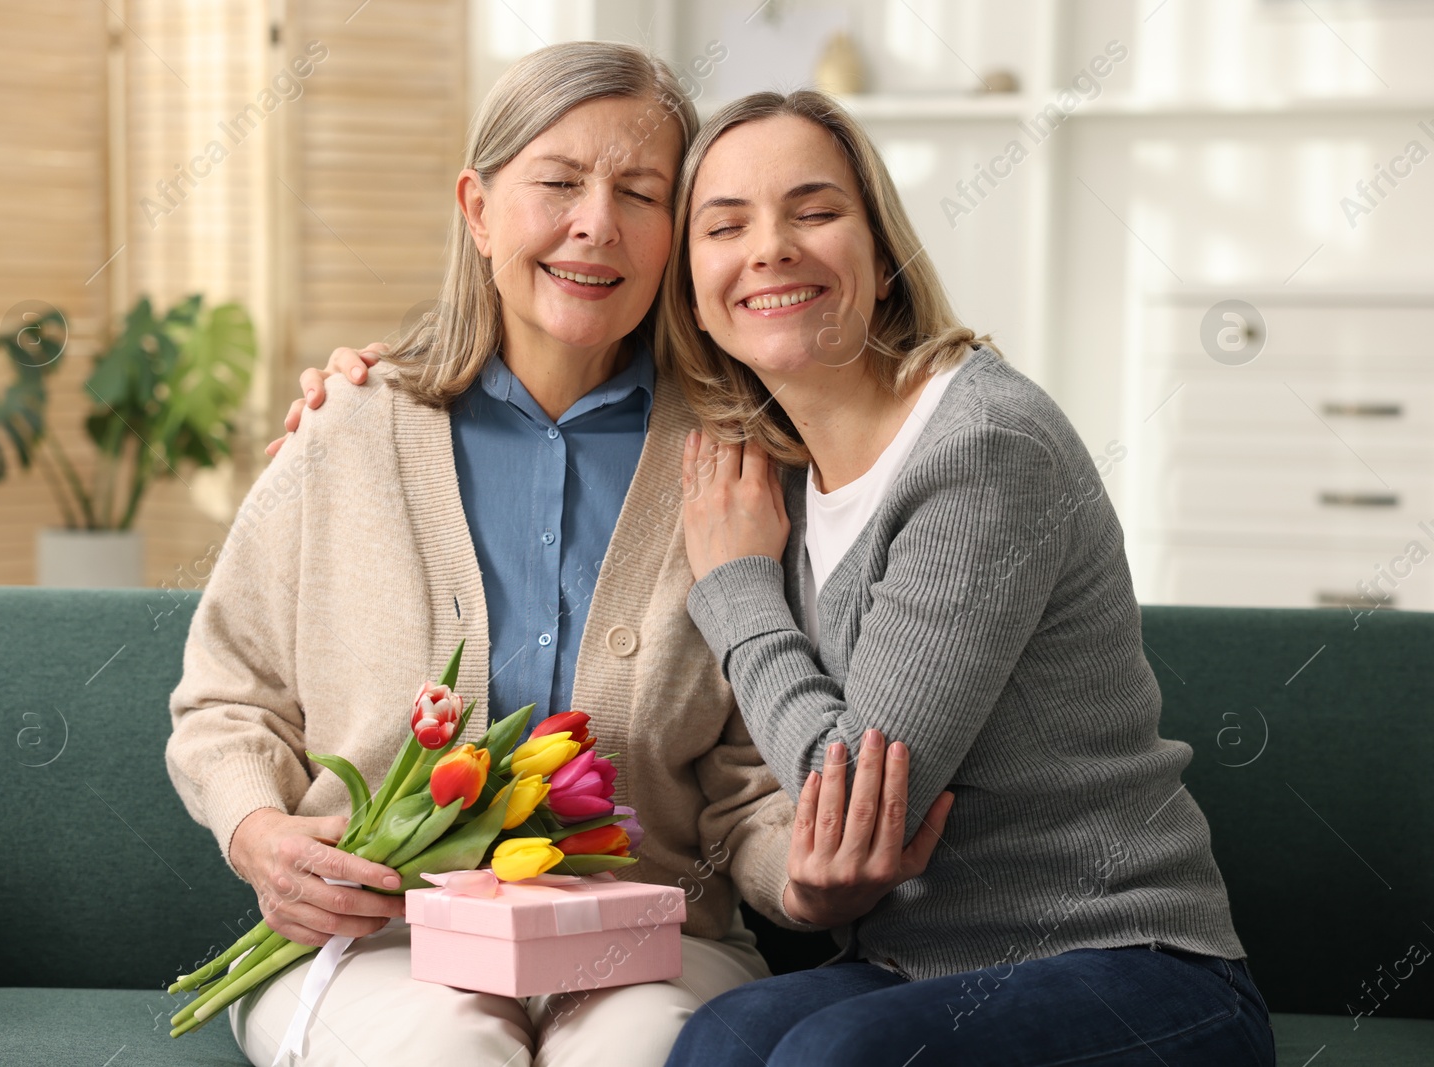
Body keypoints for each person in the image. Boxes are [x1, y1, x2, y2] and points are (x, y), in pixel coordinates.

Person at [169, 47, 948, 1067]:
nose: (597, 223)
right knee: (441, 1047)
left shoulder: (744, 464)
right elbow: (226, 699)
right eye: (558, 182)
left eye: (641, 192)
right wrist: (260, 835)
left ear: (673, 235)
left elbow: (753, 776)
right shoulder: (350, 427)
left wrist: (804, 879)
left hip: (650, 945)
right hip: (377, 940)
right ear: (479, 207)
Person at [652, 89, 1277, 1065]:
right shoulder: (766, 475)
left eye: (814, 211)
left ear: (883, 257)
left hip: (1128, 959)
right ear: (692, 285)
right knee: (720, 1037)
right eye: (724, 225)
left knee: (832, 1058)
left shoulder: (982, 446)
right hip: (911, 966)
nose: (769, 247)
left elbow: (850, 795)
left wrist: (735, 590)